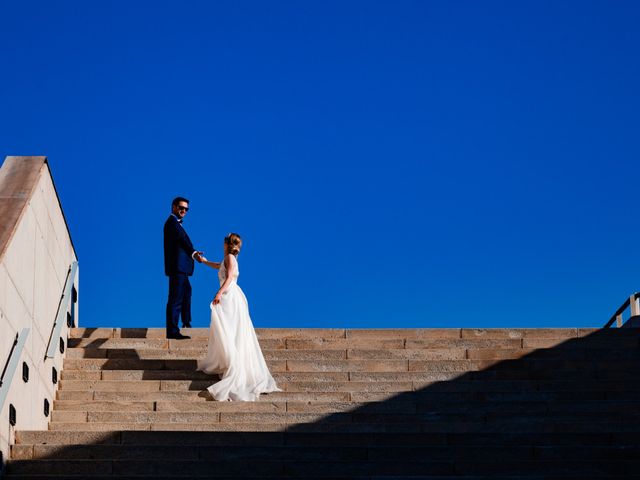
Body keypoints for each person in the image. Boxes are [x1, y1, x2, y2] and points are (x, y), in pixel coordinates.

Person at [197, 233, 280, 401]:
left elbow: (228, 277)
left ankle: (233, 366)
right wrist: (204, 261)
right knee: (231, 331)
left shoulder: (229, 258)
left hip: (229, 295)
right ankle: (231, 360)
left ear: (226, 244)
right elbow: (219, 266)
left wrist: (219, 292)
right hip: (234, 296)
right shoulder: (229, 259)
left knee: (228, 329)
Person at [163, 196, 203, 340]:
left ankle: (186, 322)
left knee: (187, 292)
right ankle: (173, 331)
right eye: (181, 208)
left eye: (186, 209)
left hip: (182, 269)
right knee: (176, 298)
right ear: (174, 207)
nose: (184, 211)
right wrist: (193, 253)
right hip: (177, 268)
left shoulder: (176, 224)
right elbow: (182, 240)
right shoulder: (171, 223)